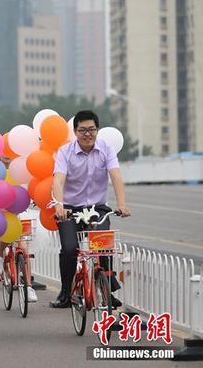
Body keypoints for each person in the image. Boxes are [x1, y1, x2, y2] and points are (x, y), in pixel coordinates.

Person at [50, 110, 131, 309]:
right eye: (83, 130)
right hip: (69, 209)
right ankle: (66, 292)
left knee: (104, 247)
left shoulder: (106, 150)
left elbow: (116, 176)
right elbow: (58, 180)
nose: (88, 134)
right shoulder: (65, 152)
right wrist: (59, 205)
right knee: (70, 250)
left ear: (97, 130)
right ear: (75, 132)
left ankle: (106, 290)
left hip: (97, 208)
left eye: (92, 129)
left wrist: (121, 204)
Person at [0, 155, 37, 302]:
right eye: (4, 152)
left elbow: (30, 187)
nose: (7, 156)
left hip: (18, 210)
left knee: (23, 248)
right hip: (1, 211)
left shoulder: (21, 169)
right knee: (6, 230)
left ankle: (29, 286)